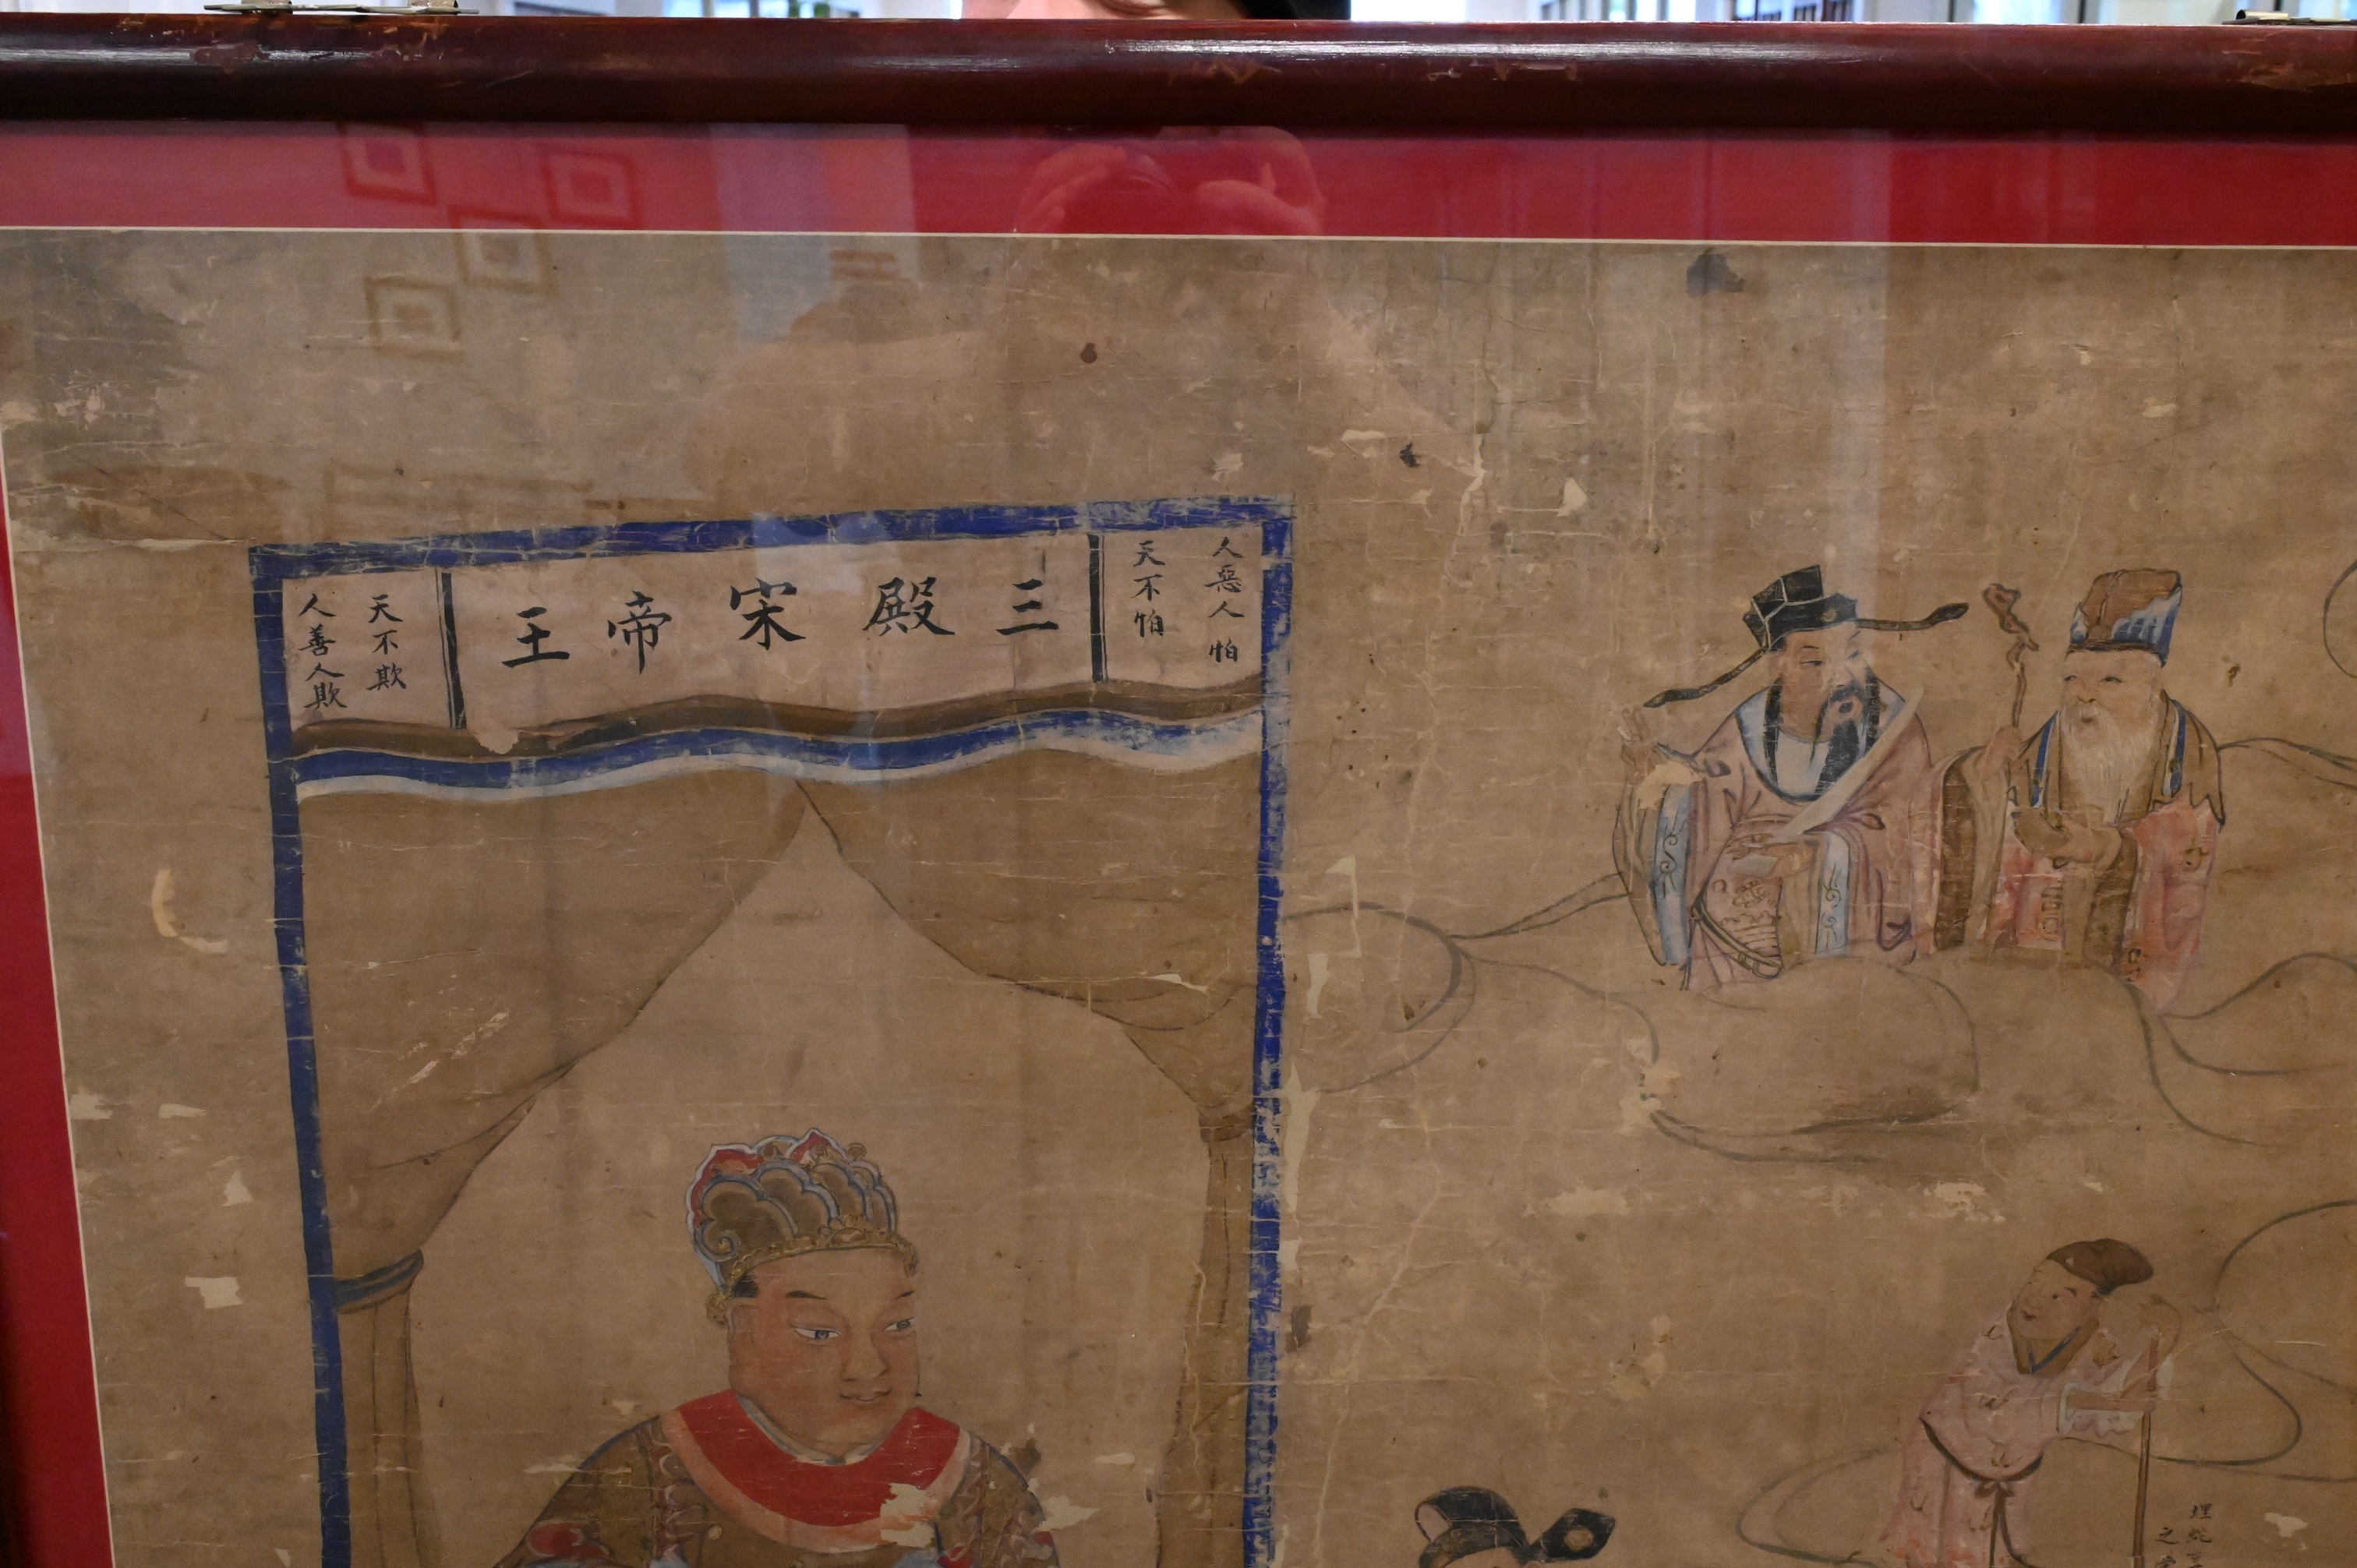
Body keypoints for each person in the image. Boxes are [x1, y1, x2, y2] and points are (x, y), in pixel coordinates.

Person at [499, 1132, 1056, 1568]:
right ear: (743, 1334)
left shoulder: (971, 1478)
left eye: (899, 1325)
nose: (869, 1367)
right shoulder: (654, 1471)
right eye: (820, 1333)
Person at [1618, 567, 1966, 989]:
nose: (1843, 677)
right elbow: (1705, 801)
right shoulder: (1751, 724)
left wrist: (1816, 852)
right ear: (1778, 667)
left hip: (1854, 899)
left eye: (1853, 654)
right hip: (1752, 878)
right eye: (1816, 661)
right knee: (1731, 907)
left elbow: (1905, 826)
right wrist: (1655, 781)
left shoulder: (1893, 728)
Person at [1971, 570, 2223, 1009]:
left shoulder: (2185, 750)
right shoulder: (2038, 754)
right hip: (2037, 957)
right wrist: (1981, 777)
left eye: (2110, 681)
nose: (2084, 696)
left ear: (2152, 686)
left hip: (2135, 963)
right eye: (2072, 679)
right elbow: (1999, 855)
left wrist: (2107, 848)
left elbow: (2189, 847)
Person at [1879, 1239, 2171, 1568]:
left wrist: (2165, 1339)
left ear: (2094, 1303)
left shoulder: (2097, 1343)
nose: (2033, 1301)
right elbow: (1994, 1407)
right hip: (1944, 1452)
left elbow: (2126, 1399)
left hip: (2007, 1469)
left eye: (2059, 1295)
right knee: (1938, 1553)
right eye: (2034, 1283)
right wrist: (2101, 1401)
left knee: (1991, 1554)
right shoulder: (1996, 1334)